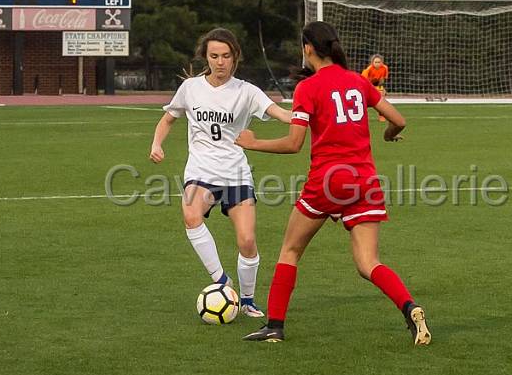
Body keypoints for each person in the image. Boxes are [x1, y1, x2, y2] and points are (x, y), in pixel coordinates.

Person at [236, 21, 430, 345]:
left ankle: (275, 326)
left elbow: (294, 143)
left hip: (327, 182)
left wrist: (252, 143)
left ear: (308, 48)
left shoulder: (307, 88)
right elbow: (399, 120)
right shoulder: (358, 81)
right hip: (364, 182)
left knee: (290, 250)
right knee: (369, 263)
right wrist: (388, 135)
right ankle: (410, 307)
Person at [149, 27, 292, 318]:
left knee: (247, 241)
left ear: (235, 57)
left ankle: (248, 300)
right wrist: (156, 144)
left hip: (236, 175)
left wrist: (307, 113)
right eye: (214, 56)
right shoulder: (190, 88)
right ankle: (223, 283)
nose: (220, 62)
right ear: (206, 56)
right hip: (201, 170)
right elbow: (167, 119)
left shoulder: (246, 91)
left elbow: (282, 115)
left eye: (226, 56)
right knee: (191, 215)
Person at [362, 54, 389, 121]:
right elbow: (364, 81)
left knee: (382, 99)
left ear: (382, 62)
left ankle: (382, 116)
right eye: (376, 62)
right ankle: (361, 116)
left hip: (377, 85)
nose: (377, 64)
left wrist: (382, 88)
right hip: (367, 85)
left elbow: (382, 79)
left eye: (379, 62)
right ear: (372, 62)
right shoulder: (368, 69)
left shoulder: (384, 68)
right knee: (364, 102)